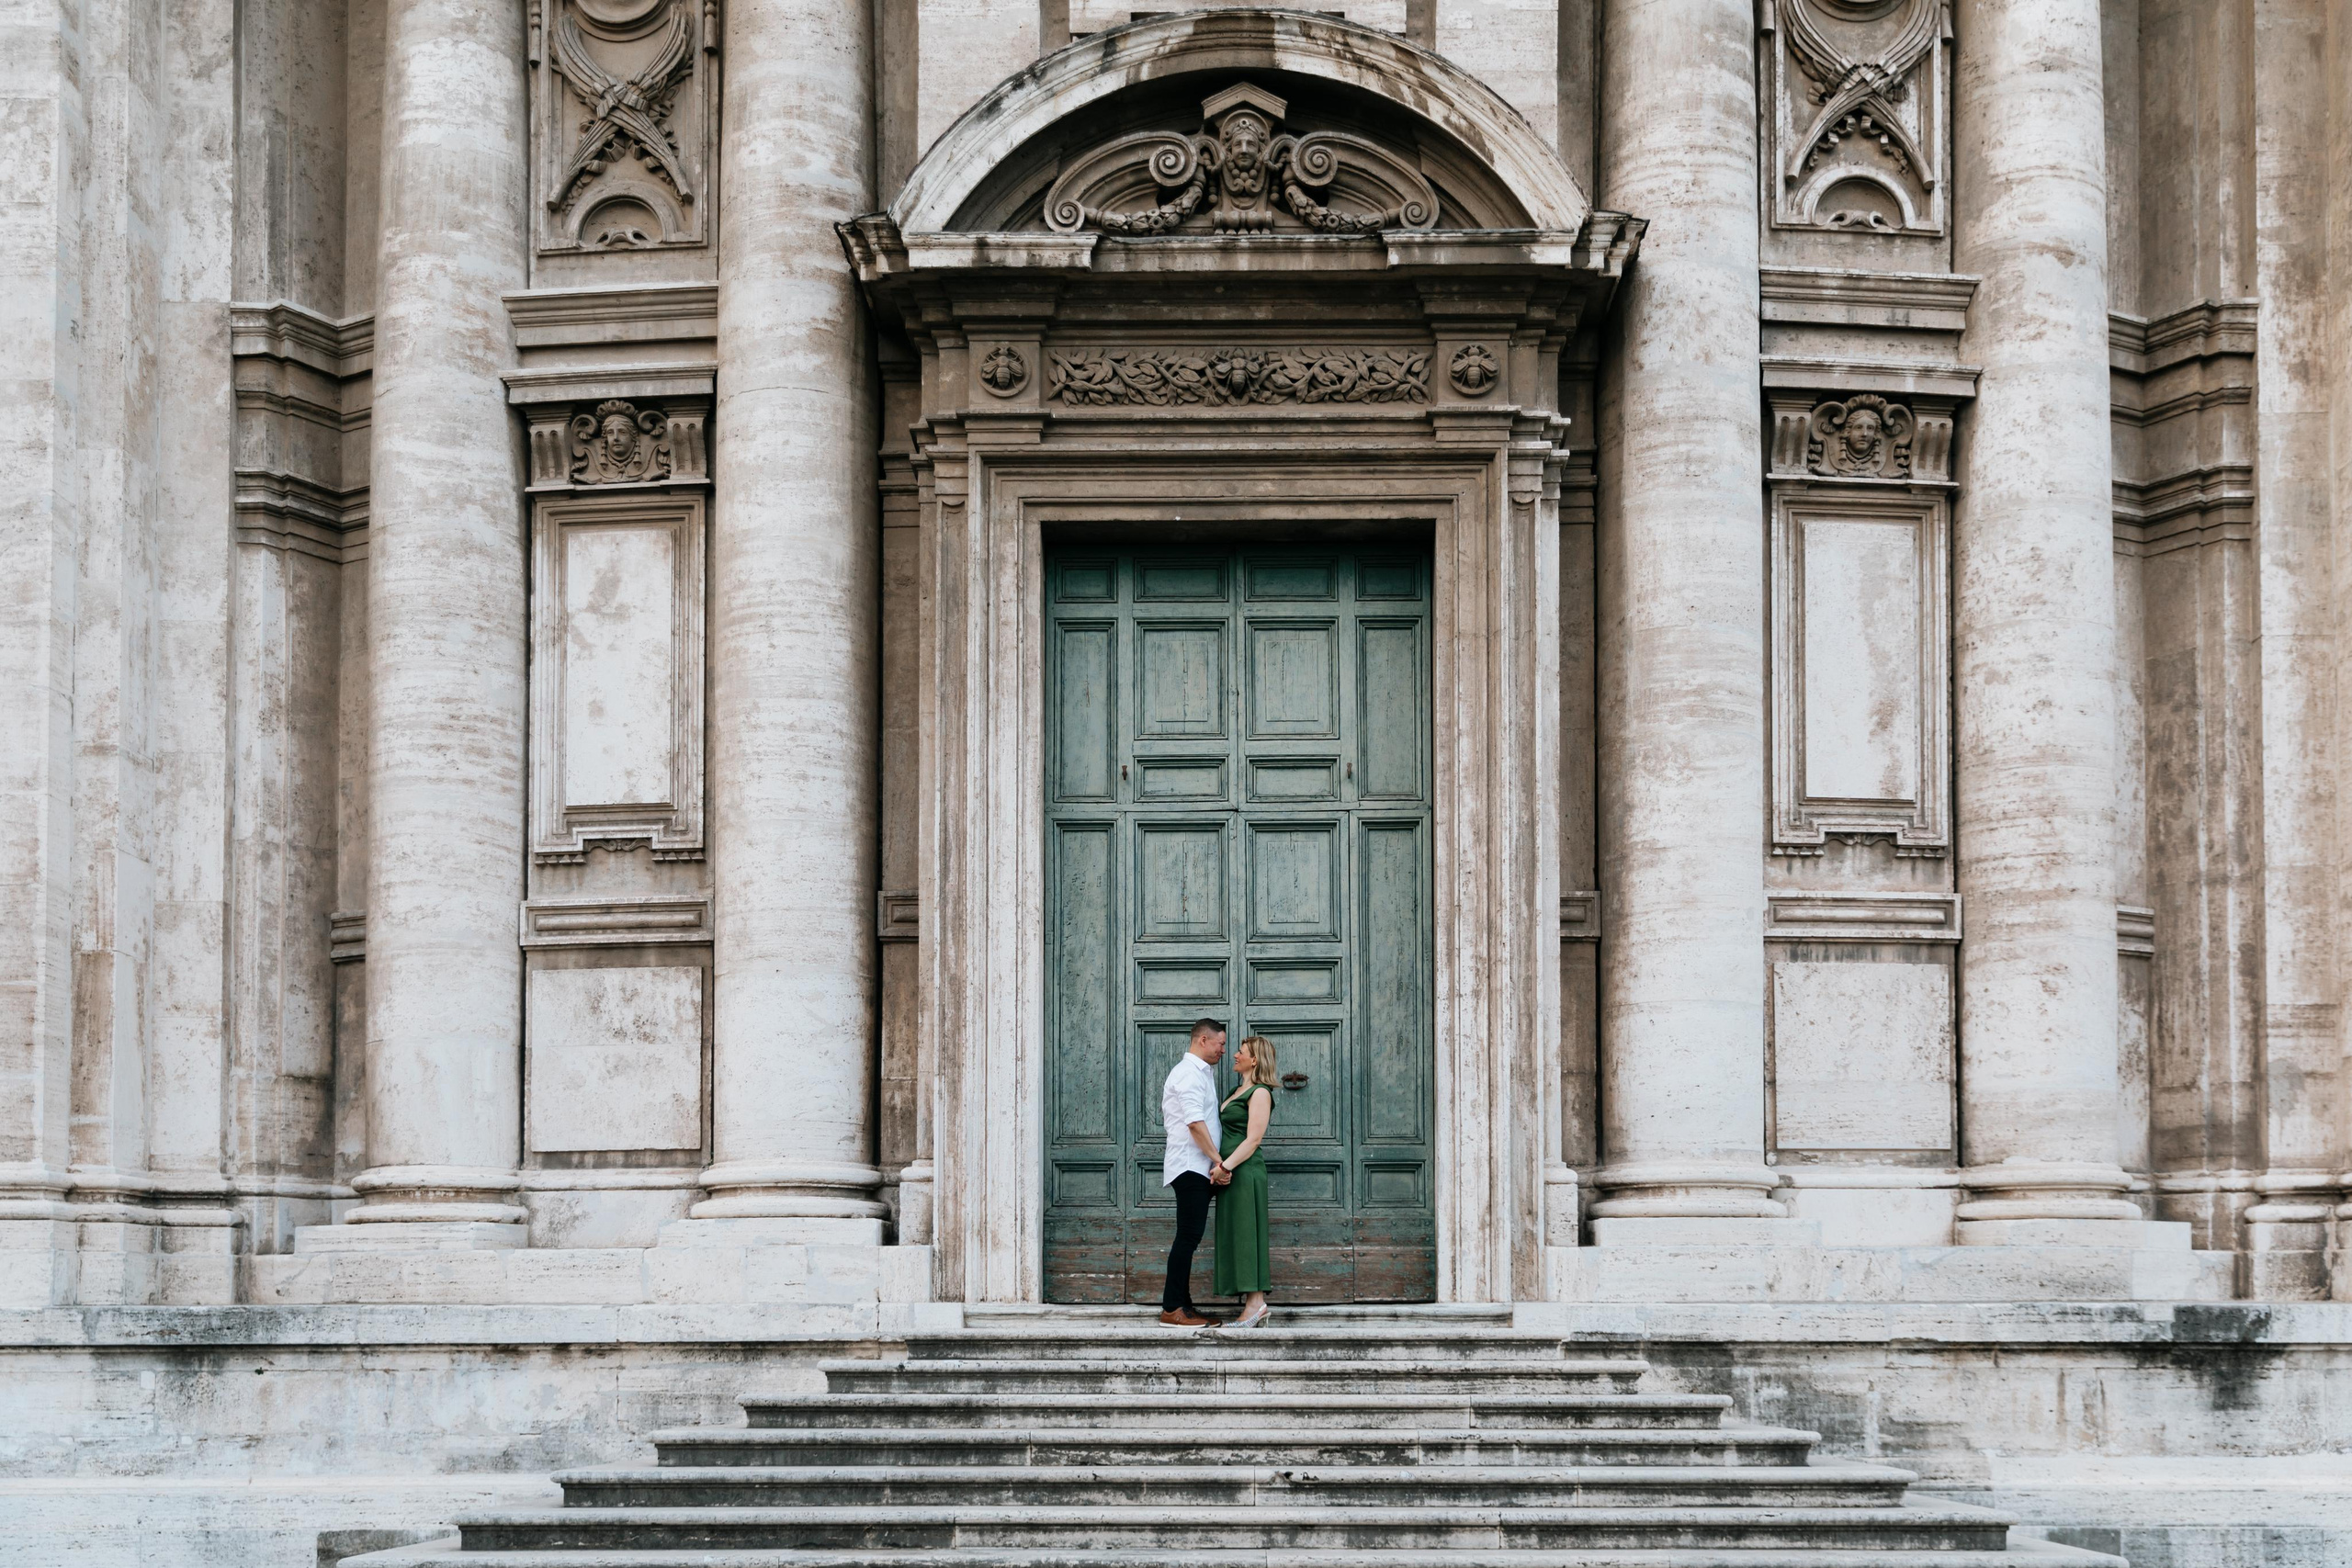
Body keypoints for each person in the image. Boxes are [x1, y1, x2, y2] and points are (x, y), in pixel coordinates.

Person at [1158, 1018, 1227, 1326]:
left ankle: (1183, 1306)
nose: (1223, 1049)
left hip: (1197, 1166)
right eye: (1220, 1043)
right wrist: (1218, 1162)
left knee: (1189, 1237)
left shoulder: (1201, 1073)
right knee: (1187, 1237)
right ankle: (1172, 1308)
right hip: (1190, 1166)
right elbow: (1195, 1124)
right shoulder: (1188, 1074)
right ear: (1203, 1040)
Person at [1214, 1034, 1276, 1326]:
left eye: (1242, 1052)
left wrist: (1225, 1166)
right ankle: (1254, 1303)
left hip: (1245, 1171)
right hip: (1230, 1173)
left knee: (1248, 1233)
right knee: (1238, 1234)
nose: (1235, 1055)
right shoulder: (1236, 1090)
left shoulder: (1260, 1092)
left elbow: (1253, 1140)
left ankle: (1255, 1305)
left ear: (1255, 1060)